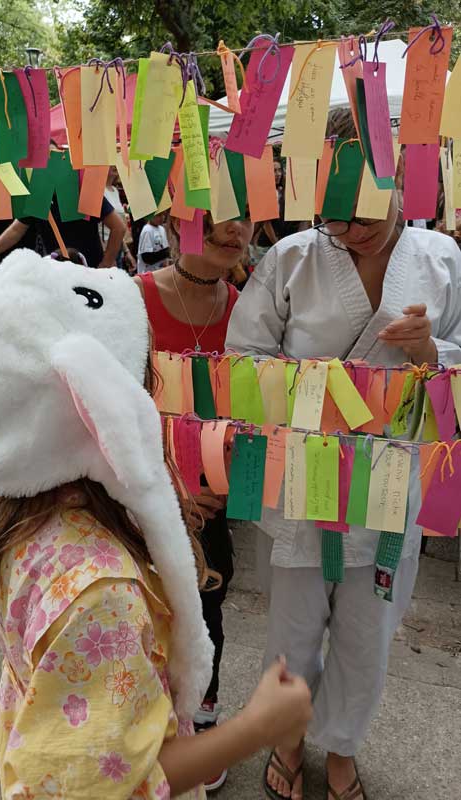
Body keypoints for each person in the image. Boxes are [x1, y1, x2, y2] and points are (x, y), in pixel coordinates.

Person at [0, 251, 312, 799]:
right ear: (97, 411)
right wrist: (255, 727)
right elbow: (114, 785)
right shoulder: (101, 592)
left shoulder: (15, 509)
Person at [226, 109, 461, 800]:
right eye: (337, 219)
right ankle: (288, 740)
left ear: (397, 181)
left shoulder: (443, 261)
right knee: (291, 628)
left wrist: (430, 352)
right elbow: (244, 359)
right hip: (302, 472)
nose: (352, 232)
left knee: (368, 633)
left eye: (364, 215)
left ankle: (342, 750)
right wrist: (307, 394)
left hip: (391, 475)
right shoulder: (292, 257)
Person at [134, 212, 253, 793]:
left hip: (213, 500)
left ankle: (201, 725)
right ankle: (146, 728)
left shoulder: (252, 309)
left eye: (246, 217)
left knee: (208, 605)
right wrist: (171, 485)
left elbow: (258, 413)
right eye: (216, 219)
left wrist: (217, 486)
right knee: (143, 615)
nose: (236, 231)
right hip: (143, 493)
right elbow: (114, 404)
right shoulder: (134, 300)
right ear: (175, 220)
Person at [0, 195, 126, 272]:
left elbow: (118, 228)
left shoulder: (83, 188)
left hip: (89, 270)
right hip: (56, 273)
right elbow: (16, 230)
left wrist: (106, 262)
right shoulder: (40, 196)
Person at [102, 166, 136, 272]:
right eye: (109, 162)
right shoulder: (99, 190)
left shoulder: (115, 191)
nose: (114, 165)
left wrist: (127, 252)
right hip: (106, 248)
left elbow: (119, 225)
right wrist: (108, 256)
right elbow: (98, 228)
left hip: (118, 248)